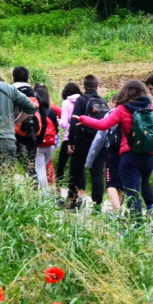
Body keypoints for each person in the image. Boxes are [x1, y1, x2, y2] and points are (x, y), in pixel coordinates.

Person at [76, 79, 153, 218]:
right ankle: (147, 214)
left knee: (132, 193)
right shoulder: (152, 108)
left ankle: (136, 226)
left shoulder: (122, 109)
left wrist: (83, 118)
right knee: (144, 183)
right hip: (149, 157)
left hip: (129, 156)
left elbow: (102, 124)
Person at [66, 75, 108, 210]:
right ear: (97, 87)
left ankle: (72, 201)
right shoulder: (103, 101)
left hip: (82, 141)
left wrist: (71, 140)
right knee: (97, 173)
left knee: (76, 171)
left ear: (84, 87)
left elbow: (74, 120)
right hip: (98, 142)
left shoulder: (81, 100)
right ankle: (97, 205)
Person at [11, 66, 40, 173]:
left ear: (13, 78)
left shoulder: (11, 94)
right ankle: (33, 187)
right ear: (28, 79)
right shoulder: (36, 95)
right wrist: (38, 140)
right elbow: (43, 120)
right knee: (31, 168)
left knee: (13, 166)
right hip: (33, 135)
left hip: (15, 134)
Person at [34, 85, 59, 190]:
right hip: (50, 145)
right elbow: (56, 130)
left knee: (39, 169)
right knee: (44, 168)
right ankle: (48, 191)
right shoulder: (52, 112)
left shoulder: (35, 111)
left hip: (39, 145)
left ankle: (44, 194)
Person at [57, 83, 82, 187]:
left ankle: (59, 186)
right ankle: (79, 189)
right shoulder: (83, 101)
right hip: (81, 137)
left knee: (62, 163)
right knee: (78, 165)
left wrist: (57, 120)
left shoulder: (66, 102)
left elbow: (64, 123)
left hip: (69, 137)